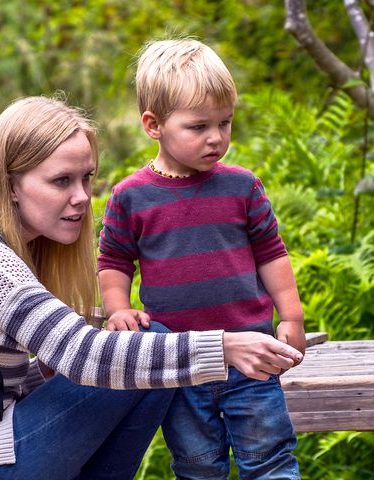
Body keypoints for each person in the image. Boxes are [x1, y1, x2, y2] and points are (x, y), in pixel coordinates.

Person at [0, 96, 302, 480]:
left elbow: (25, 383)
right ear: (11, 184)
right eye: (61, 181)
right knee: (146, 344)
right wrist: (223, 347)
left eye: (86, 178)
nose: (81, 197)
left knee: (141, 355)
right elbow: (83, 356)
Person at [97, 39, 306, 479]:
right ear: (154, 125)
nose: (216, 138)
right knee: (196, 465)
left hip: (254, 357)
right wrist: (118, 309)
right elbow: (114, 260)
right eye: (198, 127)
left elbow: (272, 253)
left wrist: (292, 316)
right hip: (181, 364)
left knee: (270, 459)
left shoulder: (242, 187)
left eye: (225, 123)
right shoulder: (131, 197)